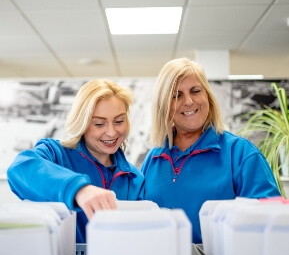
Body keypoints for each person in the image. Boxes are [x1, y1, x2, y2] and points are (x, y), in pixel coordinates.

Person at [141, 57, 281, 244]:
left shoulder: (241, 154)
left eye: (195, 91)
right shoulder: (153, 159)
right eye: (177, 95)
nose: (189, 101)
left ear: (207, 96)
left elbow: (271, 225)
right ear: (164, 106)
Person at [7, 79, 144, 243]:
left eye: (119, 121)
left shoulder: (134, 178)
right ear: (82, 123)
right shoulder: (57, 155)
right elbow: (20, 168)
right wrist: (78, 189)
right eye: (99, 124)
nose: (111, 132)